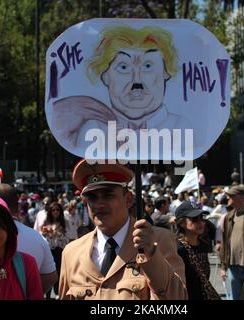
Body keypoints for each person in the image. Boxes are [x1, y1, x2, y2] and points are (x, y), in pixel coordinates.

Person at [58, 159, 187, 300]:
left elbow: (177, 299)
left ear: (128, 199)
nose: (99, 204)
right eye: (92, 197)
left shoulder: (158, 240)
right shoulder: (71, 253)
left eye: (108, 195)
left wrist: (151, 255)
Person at [51, 25, 192, 149]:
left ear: (166, 73)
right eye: (124, 67)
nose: (137, 79)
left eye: (147, 66)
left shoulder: (181, 127)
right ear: (105, 76)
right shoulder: (93, 130)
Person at [175, 201, 220, 300]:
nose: (201, 222)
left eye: (202, 218)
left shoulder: (204, 245)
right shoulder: (177, 249)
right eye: (194, 219)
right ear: (182, 223)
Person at [41, 202, 69, 298]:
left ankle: (58, 293)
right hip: (49, 250)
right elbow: (42, 236)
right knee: (49, 271)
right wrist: (45, 233)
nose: (56, 212)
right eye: (53, 210)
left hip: (59, 250)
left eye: (57, 210)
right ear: (50, 211)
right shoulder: (46, 222)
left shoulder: (63, 221)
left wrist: (55, 233)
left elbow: (66, 238)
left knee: (58, 272)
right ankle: (48, 295)